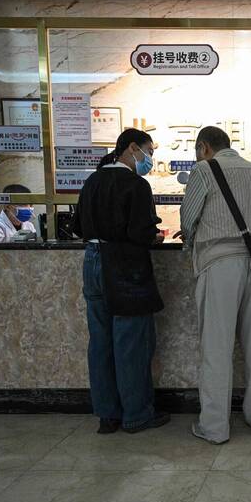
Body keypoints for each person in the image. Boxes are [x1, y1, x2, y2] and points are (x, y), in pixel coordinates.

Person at [179, 126, 251, 444]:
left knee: (216, 348)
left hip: (219, 264)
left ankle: (214, 427)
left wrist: (189, 242)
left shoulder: (204, 170)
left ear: (204, 147)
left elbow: (188, 219)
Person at [71, 128, 170, 435]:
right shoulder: (136, 185)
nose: (149, 158)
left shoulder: (92, 181)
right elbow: (141, 232)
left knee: (100, 343)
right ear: (132, 148)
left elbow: (77, 227)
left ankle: (107, 414)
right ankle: (137, 415)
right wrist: (155, 236)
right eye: (149, 151)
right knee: (131, 344)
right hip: (125, 266)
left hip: (93, 262)